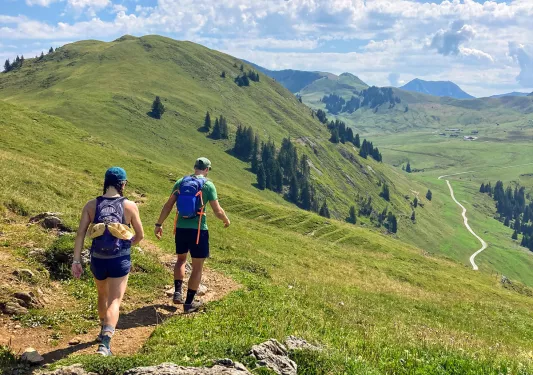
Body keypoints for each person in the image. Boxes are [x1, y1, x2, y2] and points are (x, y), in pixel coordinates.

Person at [71, 167, 144, 356]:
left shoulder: (91, 205)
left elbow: (80, 234)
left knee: (102, 295)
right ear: (123, 184)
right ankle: (105, 343)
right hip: (119, 259)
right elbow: (140, 235)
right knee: (115, 301)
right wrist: (127, 245)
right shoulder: (130, 206)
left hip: (98, 259)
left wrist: (76, 260)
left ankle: (102, 328)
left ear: (106, 182)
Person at [155, 157, 230, 313]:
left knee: (181, 260)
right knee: (197, 267)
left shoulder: (181, 182)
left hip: (181, 228)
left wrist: (159, 224)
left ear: (195, 167)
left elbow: (168, 205)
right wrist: (226, 220)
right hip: (198, 231)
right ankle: (188, 303)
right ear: (207, 170)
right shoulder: (208, 185)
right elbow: (218, 210)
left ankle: (177, 291)